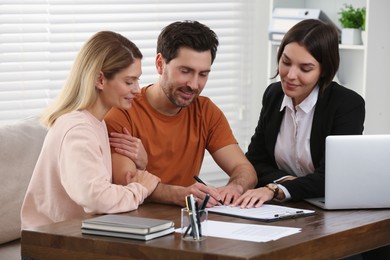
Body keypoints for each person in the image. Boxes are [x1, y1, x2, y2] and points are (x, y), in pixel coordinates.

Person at [105, 20, 257, 207]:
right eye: (185, 71)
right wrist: (180, 194)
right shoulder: (123, 110)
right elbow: (126, 181)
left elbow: (244, 169)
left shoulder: (206, 111)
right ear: (160, 64)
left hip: (186, 222)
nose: (194, 85)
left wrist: (235, 187)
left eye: (203, 74)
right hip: (136, 223)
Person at [21, 31, 160, 229]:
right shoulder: (77, 129)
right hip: (49, 246)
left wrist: (141, 165)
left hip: (72, 237)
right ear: (100, 80)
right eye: (129, 82)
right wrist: (140, 189)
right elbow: (96, 197)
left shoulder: (95, 122)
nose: (137, 90)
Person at [233, 19, 365, 208]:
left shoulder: (346, 104)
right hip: (285, 207)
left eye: (305, 68)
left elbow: (332, 177)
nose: (290, 75)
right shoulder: (273, 95)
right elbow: (255, 160)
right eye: (286, 62)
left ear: (324, 70)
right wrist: (286, 182)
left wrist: (275, 189)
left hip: (328, 210)